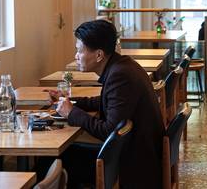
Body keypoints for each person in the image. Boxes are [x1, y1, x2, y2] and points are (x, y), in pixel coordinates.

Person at [52, 20, 164, 189]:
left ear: (99, 55)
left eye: (79, 51)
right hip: (136, 150)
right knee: (67, 154)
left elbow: (108, 130)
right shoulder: (122, 65)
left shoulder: (120, 75)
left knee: (58, 161)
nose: (76, 56)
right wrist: (72, 103)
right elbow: (107, 101)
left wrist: (72, 113)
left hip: (134, 160)